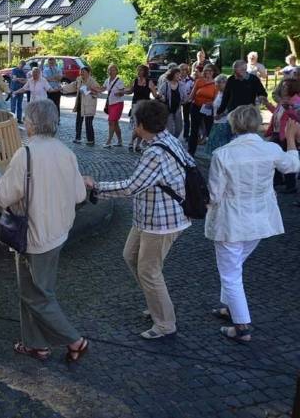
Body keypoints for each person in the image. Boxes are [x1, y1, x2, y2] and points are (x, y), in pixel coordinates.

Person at [84, 100, 193, 340]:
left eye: (134, 121)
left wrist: (96, 187)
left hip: (162, 221)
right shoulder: (167, 140)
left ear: (141, 125)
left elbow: (131, 187)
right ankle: (157, 304)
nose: (133, 125)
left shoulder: (155, 152)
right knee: (130, 256)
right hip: (149, 216)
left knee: (149, 271)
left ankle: (165, 323)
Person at [0, 99, 89, 363]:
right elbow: (79, 194)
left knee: (37, 295)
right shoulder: (65, 151)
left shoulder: (25, 154)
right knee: (35, 290)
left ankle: (74, 340)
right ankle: (36, 344)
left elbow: (4, 195)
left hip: (34, 235)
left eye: (26, 119)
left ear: (32, 124)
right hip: (58, 231)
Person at [205, 107, 300, 342]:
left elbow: (214, 194)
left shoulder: (223, 155)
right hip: (260, 220)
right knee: (234, 266)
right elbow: (292, 166)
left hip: (230, 221)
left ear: (233, 125)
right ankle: (231, 308)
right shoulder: (270, 149)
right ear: (257, 124)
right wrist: (290, 139)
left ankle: (242, 326)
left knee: (230, 273)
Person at [262, 79, 300, 194]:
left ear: (292, 88)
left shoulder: (296, 100)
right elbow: (277, 113)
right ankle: (278, 180)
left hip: (287, 134)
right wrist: (267, 104)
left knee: (288, 158)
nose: (282, 88)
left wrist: (289, 109)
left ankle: (291, 185)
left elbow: (297, 118)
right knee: (273, 156)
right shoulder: (283, 100)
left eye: (285, 86)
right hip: (276, 133)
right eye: (282, 86)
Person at [62, 66, 101, 146]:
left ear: (89, 73)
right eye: (81, 72)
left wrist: (90, 91)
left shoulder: (93, 82)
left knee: (88, 123)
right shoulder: (79, 79)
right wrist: (63, 89)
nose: (82, 73)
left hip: (89, 105)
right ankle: (78, 138)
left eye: (83, 72)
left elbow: (98, 92)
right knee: (78, 122)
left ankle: (90, 140)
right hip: (80, 104)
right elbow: (73, 86)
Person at [125, 65, 157, 152]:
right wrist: (122, 92)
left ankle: (137, 145)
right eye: (138, 70)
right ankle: (131, 142)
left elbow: (155, 95)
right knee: (137, 126)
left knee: (142, 127)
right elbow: (130, 91)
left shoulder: (149, 82)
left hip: (145, 107)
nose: (138, 72)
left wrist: (160, 97)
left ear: (145, 72)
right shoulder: (135, 81)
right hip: (135, 106)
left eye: (140, 70)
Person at [186, 65, 218, 155]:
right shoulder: (199, 81)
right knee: (194, 130)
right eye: (206, 70)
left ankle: (212, 152)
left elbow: (216, 99)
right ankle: (191, 152)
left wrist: (212, 103)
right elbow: (192, 94)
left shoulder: (216, 83)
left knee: (209, 130)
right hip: (196, 107)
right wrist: (186, 101)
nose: (208, 72)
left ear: (214, 72)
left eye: (210, 71)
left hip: (208, 108)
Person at [156, 68, 189, 138]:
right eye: (177, 74)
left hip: (177, 109)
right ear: (172, 75)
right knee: (170, 129)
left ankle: (173, 139)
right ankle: (170, 141)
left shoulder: (181, 85)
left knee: (179, 128)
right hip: (167, 110)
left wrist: (185, 100)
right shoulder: (166, 84)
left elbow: (185, 97)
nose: (179, 76)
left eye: (179, 74)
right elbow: (159, 95)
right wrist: (162, 97)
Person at [204, 75, 230, 156]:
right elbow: (218, 104)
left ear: (225, 83)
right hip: (216, 122)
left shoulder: (228, 94)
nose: (216, 85)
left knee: (220, 144)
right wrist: (211, 104)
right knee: (214, 144)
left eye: (218, 83)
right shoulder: (219, 92)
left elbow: (229, 107)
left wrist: (221, 115)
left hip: (224, 123)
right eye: (216, 83)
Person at [101, 64, 126, 147]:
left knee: (111, 122)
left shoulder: (119, 81)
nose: (111, 71)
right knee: (115, 123)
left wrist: (119, 93)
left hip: (118, 103)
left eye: (113, 70)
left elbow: (122, 92)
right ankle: (120, 140)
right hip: (110, 103)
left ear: (116, 71)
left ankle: (109, 142)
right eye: (110, 70)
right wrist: (93, 89)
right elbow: (102, 89)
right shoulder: (107, 80)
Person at [178, 63, 195, 140]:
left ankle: (186, 135)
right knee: (177, 118)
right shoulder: (176, 79)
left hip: (188, 101)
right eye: (182, 69)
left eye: (185, 69)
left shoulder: (191, 80)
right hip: (178, 101)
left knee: (187, 118)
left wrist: (188, 99)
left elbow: (193, 92)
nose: (184, 71)